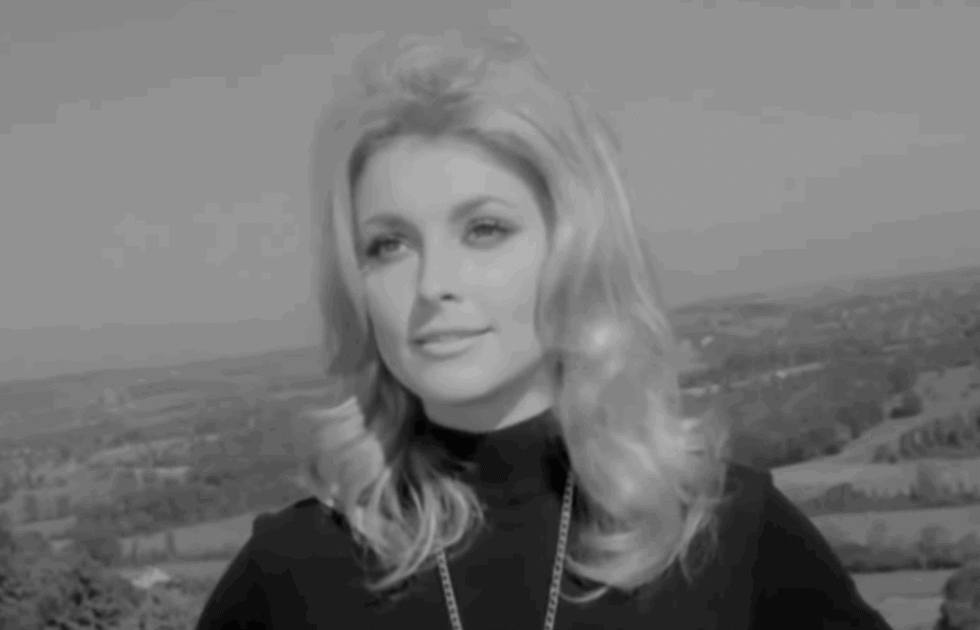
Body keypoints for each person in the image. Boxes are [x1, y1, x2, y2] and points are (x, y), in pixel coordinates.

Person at [194, 27, 893, 630]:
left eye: (484, 229)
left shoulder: (728, 538)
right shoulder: (293, 572)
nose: (433, 282)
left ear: (574, 252)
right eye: (389, 244)